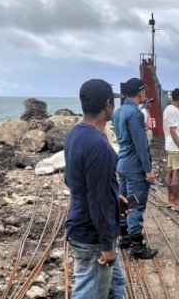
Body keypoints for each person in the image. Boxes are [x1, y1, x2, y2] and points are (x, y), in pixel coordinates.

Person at [64, 79, 126, 299]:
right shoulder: (99, 145)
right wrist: (107, 245)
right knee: (89, 293)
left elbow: (72, 181)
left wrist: (112, 196)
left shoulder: (75, 134)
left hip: (81, 225)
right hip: (92, 236)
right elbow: (97, 202)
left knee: (116, 286)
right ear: (108, 104)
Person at [112, 77, 158, 259]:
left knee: (123, 203)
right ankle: (137, 247)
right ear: (140, 92)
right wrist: (148, 169)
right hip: (134, 166)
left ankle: (124, 238)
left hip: (121, 163)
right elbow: (141, 144)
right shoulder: (136, 114)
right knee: (135, 205)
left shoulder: (118, 112)